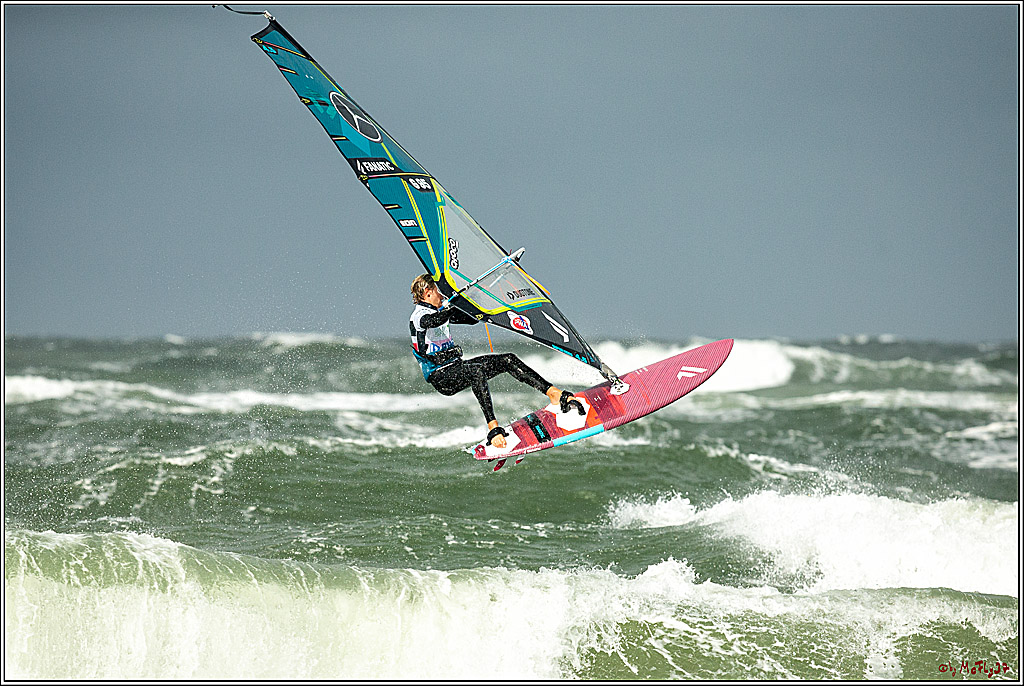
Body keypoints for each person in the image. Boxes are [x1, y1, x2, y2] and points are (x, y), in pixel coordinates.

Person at [409, 273, 584, 449]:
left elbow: (471, 319)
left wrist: (475, 299)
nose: (442, 295)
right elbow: (433, 321)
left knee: (508, 359)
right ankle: (493, 429)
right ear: (428, 292)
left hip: (456, 367)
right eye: (438, 291)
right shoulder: (419, 316)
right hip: (441, 377)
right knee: (476, 371)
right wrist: (451, 306)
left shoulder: (440, 312)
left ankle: (553, 393)